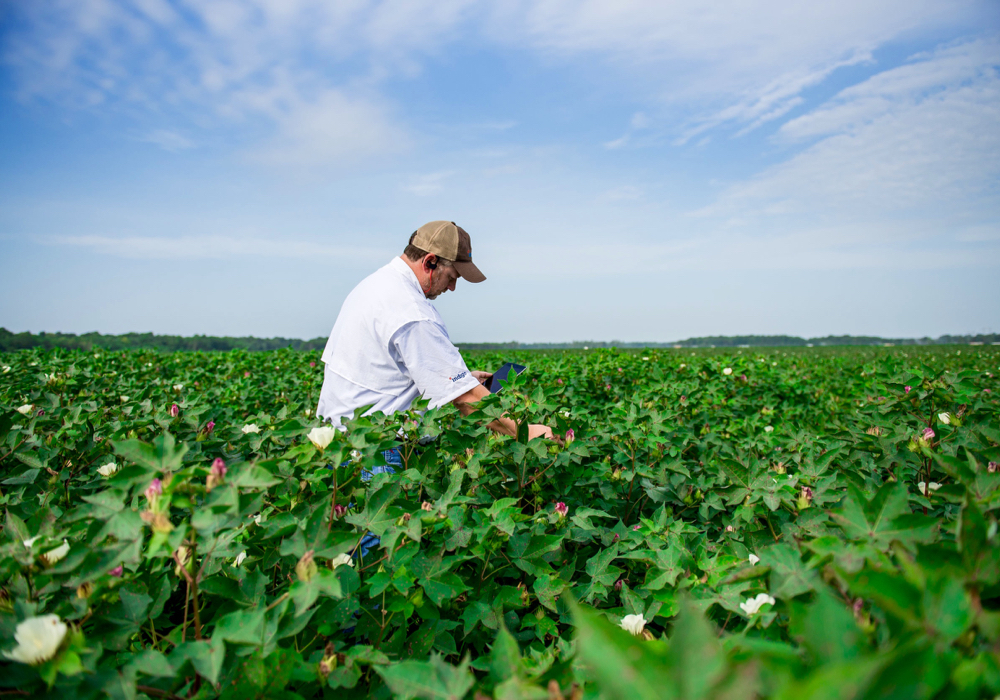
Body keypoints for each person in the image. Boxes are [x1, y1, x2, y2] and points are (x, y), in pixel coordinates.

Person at [316, 219, 554, 440]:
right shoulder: (412, 312)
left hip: (341, 442)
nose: (451, 288)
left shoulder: (374, 286)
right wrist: (525, 432)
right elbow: (468, 400)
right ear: (430, 262)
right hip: (378, 451)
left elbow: (381, 370)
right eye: (452, 277)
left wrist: (457, 380)